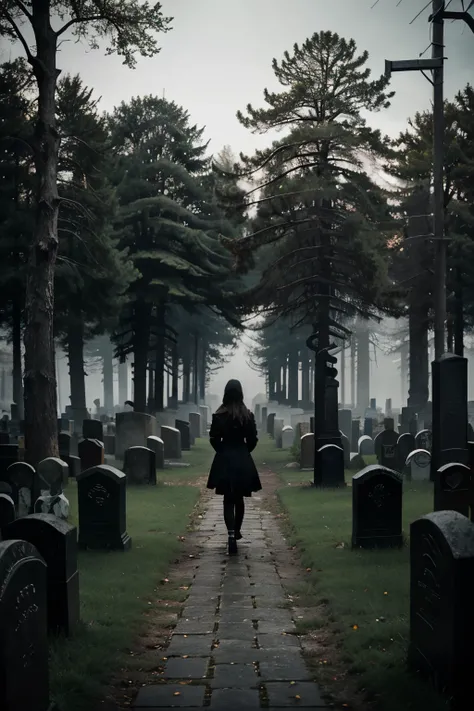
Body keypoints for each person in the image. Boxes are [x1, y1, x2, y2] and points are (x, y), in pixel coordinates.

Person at [207, 379, 261, 555]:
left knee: (227, 499)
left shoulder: (219, 415)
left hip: (225, 459)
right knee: (239, 498)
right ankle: (237, 530)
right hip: (242, 458)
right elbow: (253, 439)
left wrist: (222, 451)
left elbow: (214, 439)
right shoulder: (247, 415)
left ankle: (230, 534)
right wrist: (245, 451)